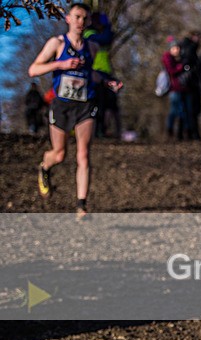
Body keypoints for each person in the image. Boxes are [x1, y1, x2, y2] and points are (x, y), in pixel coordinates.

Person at [28, 2, 123, 220]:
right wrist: (60, 65)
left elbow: (92, 73)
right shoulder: (57, 43)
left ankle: (81, 206)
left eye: (84, 18)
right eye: (77, 17)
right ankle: (45, 166)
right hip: (62, 105)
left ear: (89, 22)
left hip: (85, 105)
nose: (81, 22)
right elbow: (33, 69)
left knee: (83, 154)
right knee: (59, 154)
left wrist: (108, 82)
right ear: (68, 19)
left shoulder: (92, 47)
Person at [83, 12, 117, 138]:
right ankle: (96, 131)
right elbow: (106, 39)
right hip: (96, 73)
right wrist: (107, 25)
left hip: (104, 73)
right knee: (98, 103)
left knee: (107, 103)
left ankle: (102, 130)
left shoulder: (96, 34)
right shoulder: (89, 34)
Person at [162, 36, 190, 140]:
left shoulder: (179, 58)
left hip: (181, 88)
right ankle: (171, 130)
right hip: (174, 89)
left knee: (178, 111)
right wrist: (181, 66)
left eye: (178, 48)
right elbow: (172, 71)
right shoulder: (168, 58)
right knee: (176, 110)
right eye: (175, 48)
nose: (177, 50)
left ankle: (178, 132)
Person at [181, 31, 201, 140]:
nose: (199, 39)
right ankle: (190, 133)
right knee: (191, 109)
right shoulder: (190, 48)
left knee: (192, 109)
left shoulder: (190, 48)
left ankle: (190, 133)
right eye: (197, 37)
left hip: (192, 83)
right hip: (190, 84)